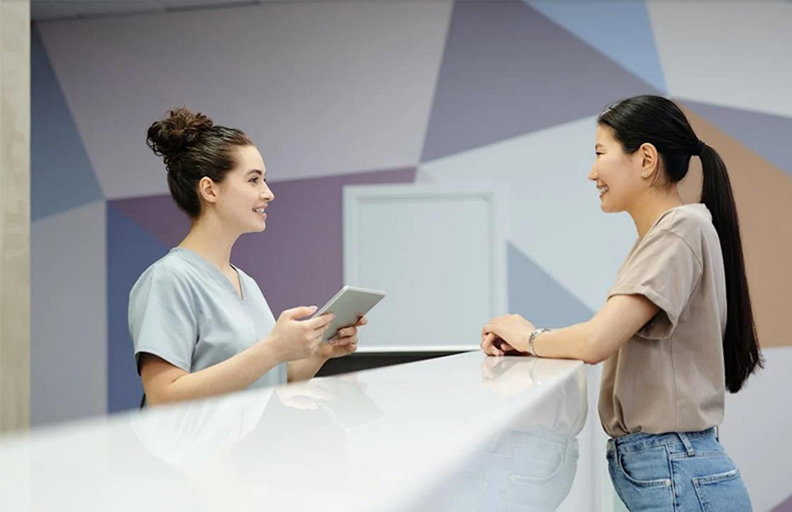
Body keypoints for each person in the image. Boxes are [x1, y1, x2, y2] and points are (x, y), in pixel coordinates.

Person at [480, 95, 761, 511]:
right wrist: (533, 341)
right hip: (674, 469)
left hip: (675, 470)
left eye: (599, 153)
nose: (592, 172)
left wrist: (529, 335)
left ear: (646, 159)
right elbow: (606, 331)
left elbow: (597, 341)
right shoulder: (671, 233)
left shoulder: (678, 230)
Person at [129, 107, 365, 407]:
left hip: (244, 453)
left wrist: (321, 351)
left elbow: (267, 380)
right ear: (209, 190)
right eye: (254, 180)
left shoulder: (246, 284)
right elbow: (164, 396)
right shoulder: (168, 279)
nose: (268, 193)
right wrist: (273, 350)